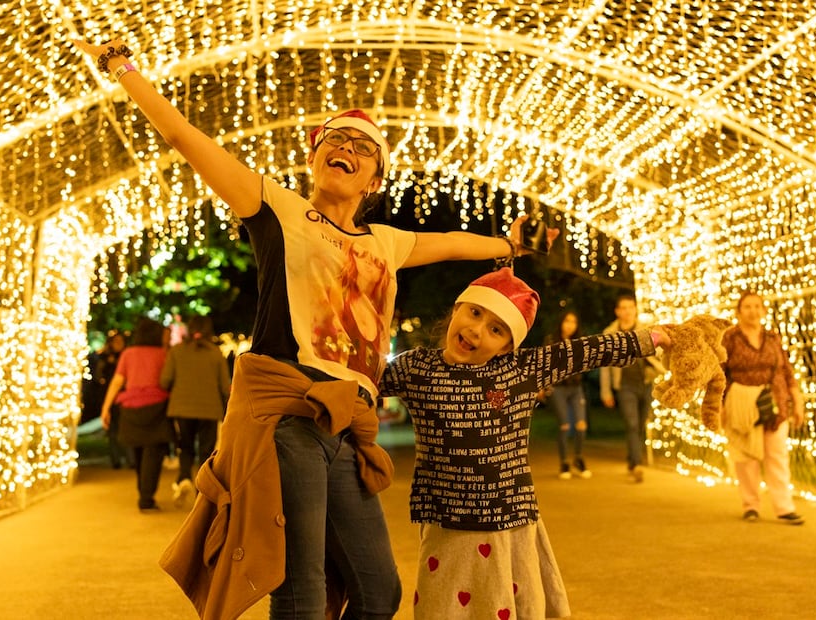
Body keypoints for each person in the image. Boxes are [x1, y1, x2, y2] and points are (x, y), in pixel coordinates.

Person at [72, 36, 553, 618]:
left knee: (378, 592)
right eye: (335, 141)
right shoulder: (277, 209)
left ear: (375, 179)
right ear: (314, 157)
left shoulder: (386, 242)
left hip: (347, 426)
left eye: (363, 148)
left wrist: (510, 246)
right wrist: (120, 66)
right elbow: (183, 137)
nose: (346, 148)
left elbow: (451, 243)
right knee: (301, 589)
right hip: (290, 418)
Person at [379, 268, 671, 618]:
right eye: (475, 312)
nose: (476, 330)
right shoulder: (415, 369)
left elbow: (586, 351)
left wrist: (653, 338)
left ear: (507, 345)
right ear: (457, 309)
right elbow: (362, 381)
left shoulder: (521, 369)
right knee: (443, 608)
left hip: (510, 519)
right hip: (446, 522)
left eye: (496, 329)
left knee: (508, 605)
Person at [721, 291, 806, 525]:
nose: (753, 311)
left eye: (757, 306)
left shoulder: (772, 338)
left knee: (777, 456)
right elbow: (720, 374)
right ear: (739, 312)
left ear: (764, 310)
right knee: (747, 458)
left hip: (775, 403)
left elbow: (786, 370)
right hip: (743, 406)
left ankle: (784, 507)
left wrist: (797, 400)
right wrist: (720, 405)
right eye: (747, 307)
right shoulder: (729, 338)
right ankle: (751, 505)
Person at [100, 317, 172, 511]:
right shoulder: (163, 354)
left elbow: (117, 381)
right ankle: (146, 497)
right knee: (153, 453)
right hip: (157, 408)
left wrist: (106, 407)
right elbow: (168, 380)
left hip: (130, 408)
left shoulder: (128, 354)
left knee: (138, 451)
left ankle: (143, 491)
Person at [160, 315, 232, 506]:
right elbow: (225, 386)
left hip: (182, 408)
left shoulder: (177, 351)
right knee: (206, 451)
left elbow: (165, 380)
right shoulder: (215, 353)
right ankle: (202, 493)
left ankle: (184, 477)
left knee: (185, 446)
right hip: (210, 409)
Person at [599, 293, 664, 482]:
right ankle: (636, 464)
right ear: (617, 311)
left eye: (631, 307)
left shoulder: (647, 329)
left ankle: (632, 457)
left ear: (635, 309)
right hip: (625, 385)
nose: (627, 312)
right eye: (624, 308)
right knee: (632, 423)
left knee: (641, 424)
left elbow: (660, 351)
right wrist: (606, 391)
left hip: (646, 382)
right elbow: (605, 366)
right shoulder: (610, 333)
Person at [546, 310, 592, 480]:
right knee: (564, 425)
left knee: (581, 425)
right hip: (557, 388)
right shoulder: (552, 340)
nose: (570, 325)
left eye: (573, 322)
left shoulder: (579, 342)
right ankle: (564, 462)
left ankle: (578, 459)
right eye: (567, 321)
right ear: (561, 322)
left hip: (575, 387)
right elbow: (545, 364)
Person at [96, 330, 133, 469]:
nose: (119, 344)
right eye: (116, 342)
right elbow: (99, 377)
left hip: (125, 398)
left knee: (127, 428)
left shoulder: (127, 357)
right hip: (110, 399)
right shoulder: (105, 358)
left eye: (121, 341)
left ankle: (131, 460)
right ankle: (116, 459)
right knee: (113, 430)